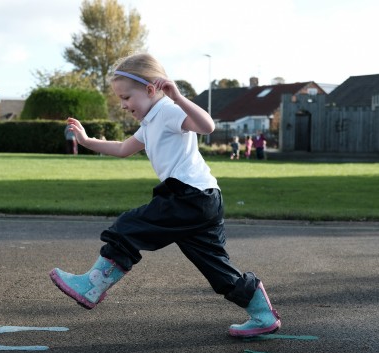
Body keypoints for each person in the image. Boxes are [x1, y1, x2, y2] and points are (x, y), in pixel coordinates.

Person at [49, 52, 280, 338]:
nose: (123, 105)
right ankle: (262, 314)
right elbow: (123, 149)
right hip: (202, 199)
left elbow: (207, 127)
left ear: (150, 90)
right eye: (120, 99)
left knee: (127, 227)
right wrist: (85, 141)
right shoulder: (149, 122)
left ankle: (93, 285)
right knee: (216, 268)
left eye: (126, 97)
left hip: (190, 195)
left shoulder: (169, 110)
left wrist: (179, 97)